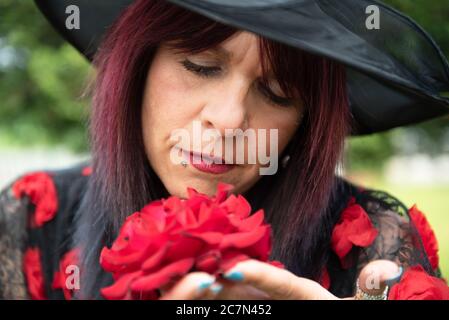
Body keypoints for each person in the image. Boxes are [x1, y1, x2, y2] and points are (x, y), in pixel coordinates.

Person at [1, 0, 448, 300]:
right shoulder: (32, 218)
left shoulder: (373, 245)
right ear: (137, 66)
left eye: (276, 93)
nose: (230, 119)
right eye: (201, 66)